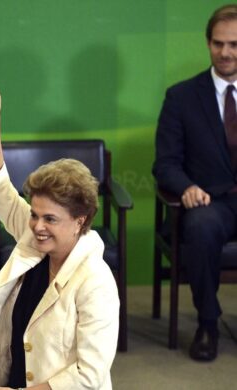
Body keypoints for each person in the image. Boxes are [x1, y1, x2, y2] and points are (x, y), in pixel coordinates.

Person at [0, 85, 119, 390]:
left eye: (50, 218)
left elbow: (88, 377)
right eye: (34, 214)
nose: (37, 225)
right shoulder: (36, 240)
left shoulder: (96, 282)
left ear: (80, 221)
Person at [153, 4, 237, 362]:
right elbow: (166, 163)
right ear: (207, 44)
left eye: (234, 44)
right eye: (218, 44)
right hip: (210, 203)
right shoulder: (182, 97)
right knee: (200, 227)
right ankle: (207, 323)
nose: (226, 52)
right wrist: (186, 187)